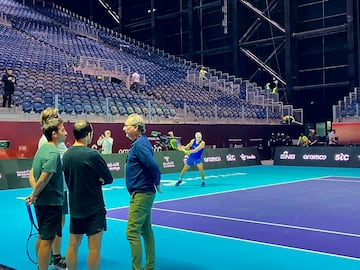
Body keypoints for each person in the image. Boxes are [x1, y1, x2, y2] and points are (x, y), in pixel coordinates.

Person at [62, 120, 113, 270]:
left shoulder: (66, 155)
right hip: (94, 208)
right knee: (94, 248)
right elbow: (108, 178)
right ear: (88, 134)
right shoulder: (92, 155)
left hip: (76, 208)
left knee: (73, 244)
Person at [26, 118, 68, 270]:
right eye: (63, 130)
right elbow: (44, 177)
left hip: (44, 202)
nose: (66, 132)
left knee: (43, 236)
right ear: (54, 134)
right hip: (51, 202)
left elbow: (32, 174)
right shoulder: (52, 152)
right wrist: (35, 194)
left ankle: (40, 265)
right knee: (47, 241)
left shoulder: (41, 150)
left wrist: (35, 193)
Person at [123, 113, 162, 270]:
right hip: (143, 192)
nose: (124, 128)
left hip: (142, 194)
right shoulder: (141, 143)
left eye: (127, 126)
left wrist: (157, 181)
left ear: (136, 128)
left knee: (132, 232)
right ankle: (150, 266)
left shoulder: (139, 145)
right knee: (145, 230)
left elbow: (153, 165)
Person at [37, 107, 68, 269]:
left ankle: (55, 256)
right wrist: (36, 192)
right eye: (55, 116)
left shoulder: (56, 140)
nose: (59, 118)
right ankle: (51, 258)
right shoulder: (46, 142)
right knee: (46, 233)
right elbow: (45, 171)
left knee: (58, 224)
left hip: (61, 189)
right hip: (53, 192)